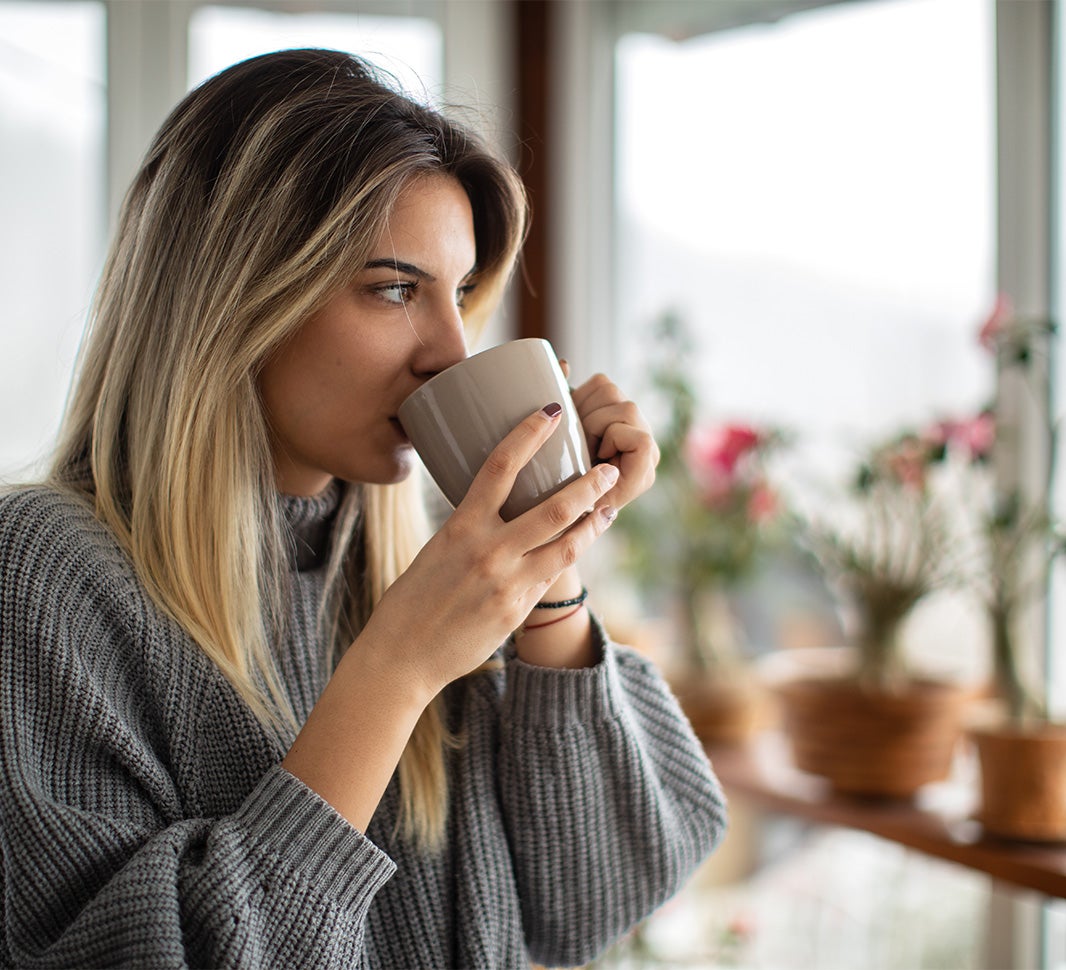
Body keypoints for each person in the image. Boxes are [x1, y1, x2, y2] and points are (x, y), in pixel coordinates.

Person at [0, 48, 726, 969]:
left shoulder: (434, 572)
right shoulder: (44, 572)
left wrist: (552, 555)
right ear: (235, 296)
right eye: (393, 289)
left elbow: (598, 903)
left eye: (462, 294)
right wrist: (394, 672)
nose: (450, 351)